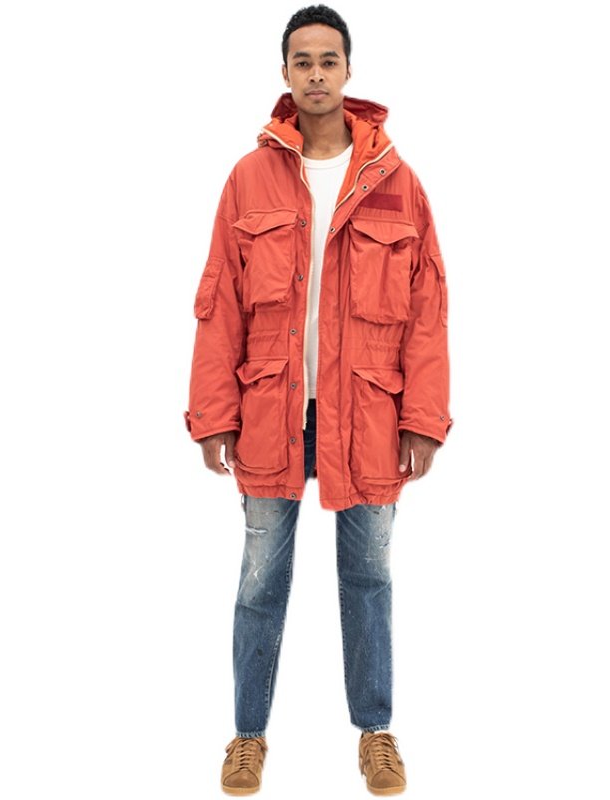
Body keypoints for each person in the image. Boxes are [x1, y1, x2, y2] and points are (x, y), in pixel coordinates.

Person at [183, 5, 453, 795]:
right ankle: (247, 736)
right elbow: (219, 302)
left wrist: (423, 419)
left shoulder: (396, 181)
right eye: (301, 61)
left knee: (368, 579)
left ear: (348, 71)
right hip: (270, 409)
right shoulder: (249, 177)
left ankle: (376, 732)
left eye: (327, 60)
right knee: (260, 582)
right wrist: (214, 414)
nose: (315, 74)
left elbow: (429, 310)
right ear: (284, 73)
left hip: (368, 415)